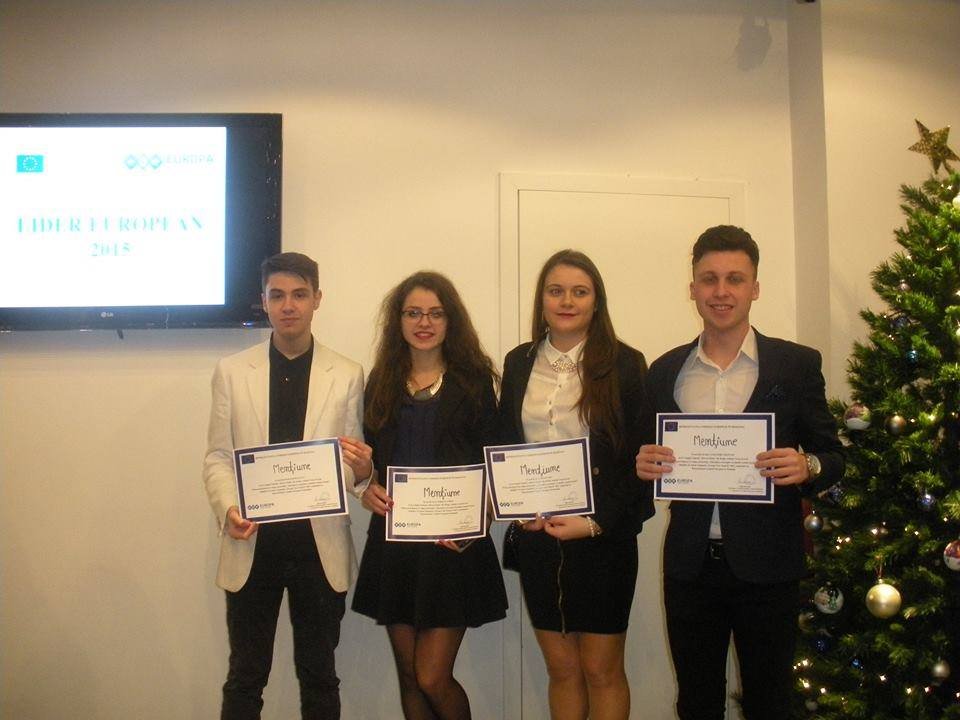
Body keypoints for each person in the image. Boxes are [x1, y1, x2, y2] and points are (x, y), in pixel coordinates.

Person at [634, 225, 845, 720]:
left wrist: (808, 465)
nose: (721, 291)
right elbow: (647, 455)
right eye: (709, 279)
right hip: (691, 565)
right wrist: (643, 463)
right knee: (696, 702)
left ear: (755, 288)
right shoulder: (665, 370)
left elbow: (833, 456)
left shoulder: (795, 365)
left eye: (735, 279)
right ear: (692, 289)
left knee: (770, 702)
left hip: (770, 566)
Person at [202, 252, 373, 720]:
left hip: (318, 548)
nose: (288, 305)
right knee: (245, 677)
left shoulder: (348, 373)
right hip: (253, 542)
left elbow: (352, 465)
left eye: (299, 295)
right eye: (277, 295)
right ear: (263, 301)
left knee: (320, 678)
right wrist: (228, 508)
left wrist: (360, 472)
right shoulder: (232, 371)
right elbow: (218, 457)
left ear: (317, 299)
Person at [498, 249, 653, 720]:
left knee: (602, 671)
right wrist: (516, 509)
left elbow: (641, 462)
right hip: (539, 538)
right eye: (556, 291)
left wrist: (594, 523)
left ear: (596, 301)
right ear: (541, 300)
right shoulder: (519, 361)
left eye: (579, 292)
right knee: (562, 670)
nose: (567, 301)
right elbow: (505, 444)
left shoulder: (626, 364)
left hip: (603, 539)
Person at [347, 271, 507, 720]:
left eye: (436, 314)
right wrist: (366, 486)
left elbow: (495, 464)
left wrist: (480, 520)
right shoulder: (381, 381)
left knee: (432, 676)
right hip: (395, 545)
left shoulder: (474, 382)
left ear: (450, 320)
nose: (424, 323)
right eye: (413, 313)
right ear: (398, 320)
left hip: (452, 547)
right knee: (409, 677)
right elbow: (369, 461)